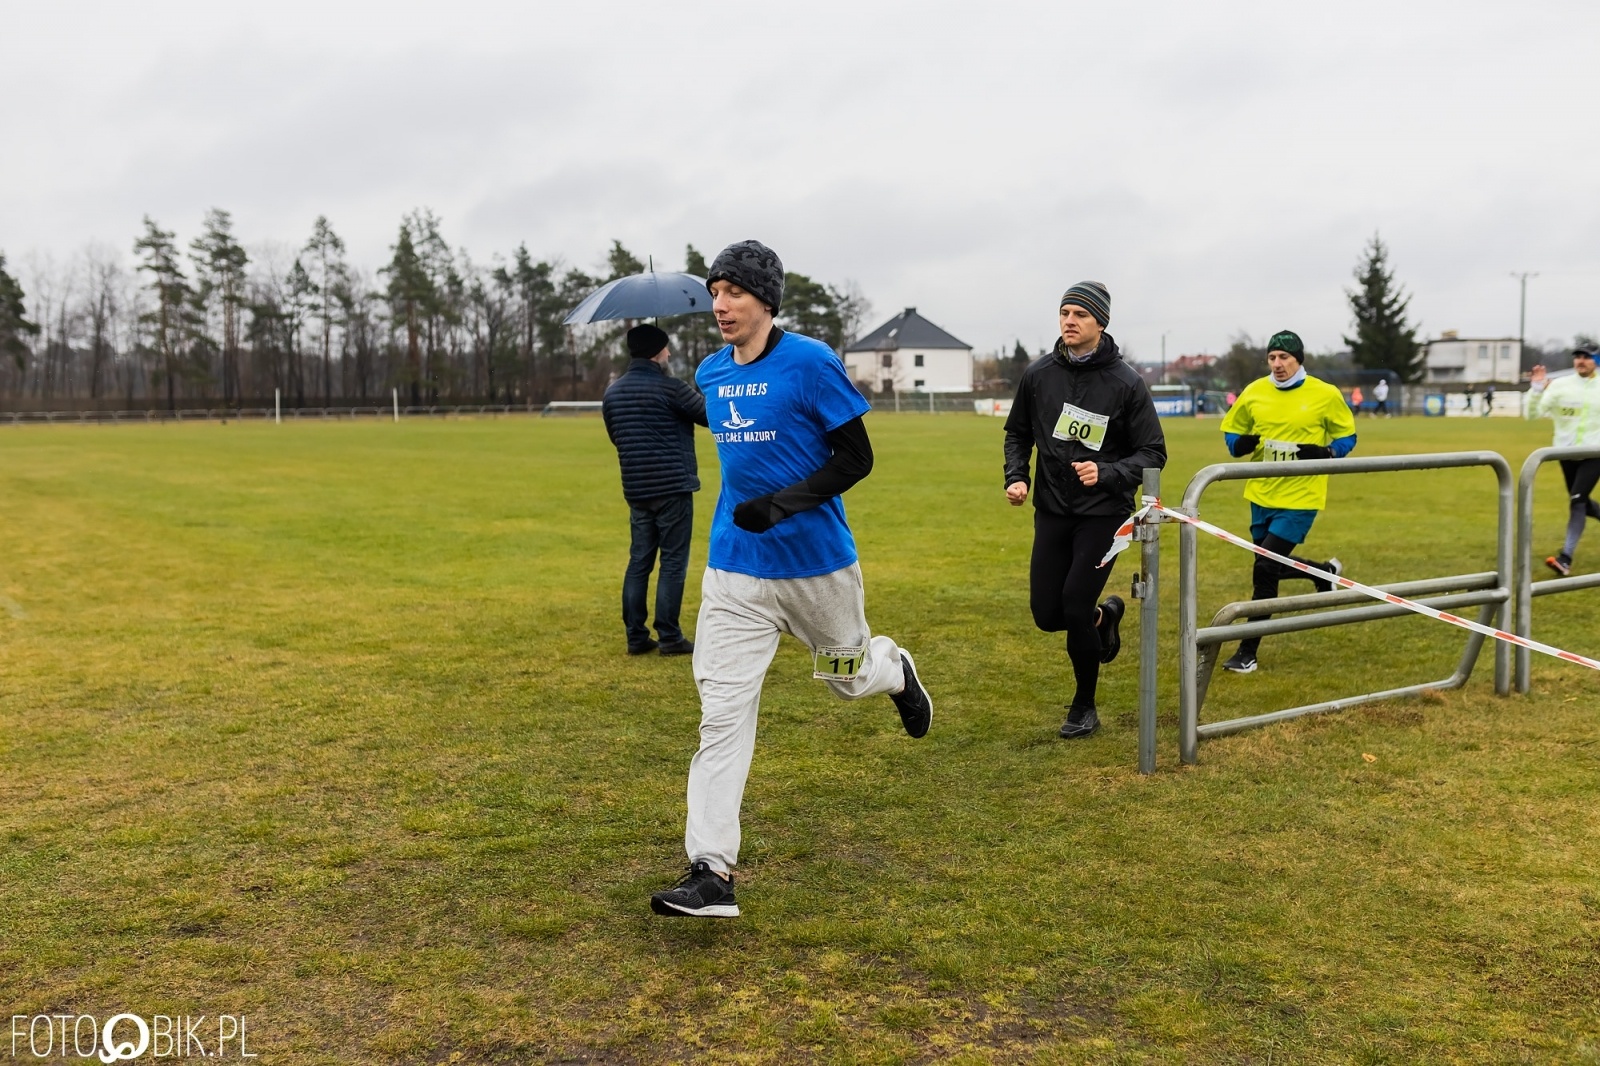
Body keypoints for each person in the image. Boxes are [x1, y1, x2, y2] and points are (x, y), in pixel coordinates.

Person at [649, 240, 932, 919]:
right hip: (735, 575)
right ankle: (711, 871)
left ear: (767, 301)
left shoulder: (811, 363)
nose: (720, 304)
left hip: (816, 571)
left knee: (846, 678)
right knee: (720, 714)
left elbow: (856, 458)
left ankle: (892, 669)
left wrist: (782, 504)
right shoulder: (712, 373)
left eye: (735, 292)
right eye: (715, 291)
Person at [1003, 281, 1167, 739]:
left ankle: (1084, 706)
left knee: (1073, 605)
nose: (1069, 321)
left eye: (1079, 314)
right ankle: (1105, 618)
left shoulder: (1126, 383)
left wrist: (1108, 472)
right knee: (1047, 615)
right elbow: (1017, 433)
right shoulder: (1038, 376)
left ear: (1101, 323)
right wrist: (1017, 476)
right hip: (1053, 508)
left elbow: (1152, 453)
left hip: (1105, 514)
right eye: (1064, 313)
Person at [1217, 330, 1357, 674]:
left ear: (1299, 360)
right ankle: (1323, 572)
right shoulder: (1254, 391)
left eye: (1285, 358)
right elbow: (1232, 433)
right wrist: (1241, 444)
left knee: (1264, 568)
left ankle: (1247, 652)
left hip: (1301, 495)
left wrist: (1326, 452)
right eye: (1272, 358)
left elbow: (1347, 435)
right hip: (1261, 494)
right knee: (1271, 563)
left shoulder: (1324, 394)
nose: (1278, 365)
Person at [601, 324, 708, 656]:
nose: (670, 353)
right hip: (672, 487)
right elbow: (709, 415)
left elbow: (616, 436)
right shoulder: (671, 388)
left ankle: (635, 636)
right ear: (656, 352)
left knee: (639, 562)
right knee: (673, 563)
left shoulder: (613, 393)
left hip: (636, 488)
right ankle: (670, 636)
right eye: (666, 348)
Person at [1526, 345, 1600, 576]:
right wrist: (1536, 389)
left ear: (1596, 360)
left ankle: (1565, 558)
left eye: (1586, 357)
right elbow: (1531, 414)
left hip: (1595, 454)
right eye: (1577, 356)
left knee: (1577, 501)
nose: (1581, 360)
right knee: (1583, 502)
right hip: (1565, 455)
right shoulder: (1561, 385)